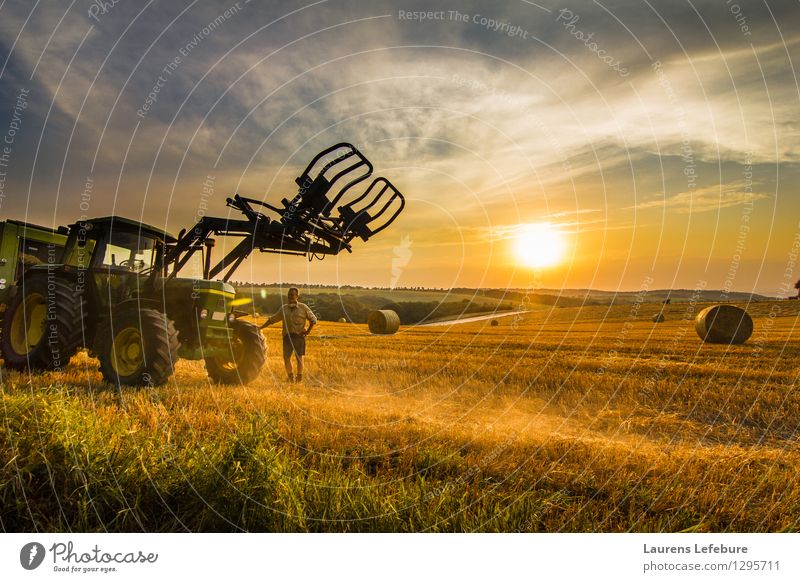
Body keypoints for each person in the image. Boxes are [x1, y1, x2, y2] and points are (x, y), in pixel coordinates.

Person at [260, 287, 317, 382]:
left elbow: (313, 320)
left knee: (299, 358)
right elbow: (272, 320)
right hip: (287, 337)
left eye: (292, 295)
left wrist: (307, 332)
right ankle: (290, 377)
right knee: (286, 358)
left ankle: (299, 378)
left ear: (297, 296)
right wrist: (261, 327)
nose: (290, 297)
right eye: (289, 295)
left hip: (299, 336)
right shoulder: (283, 308)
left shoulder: (303, 307)